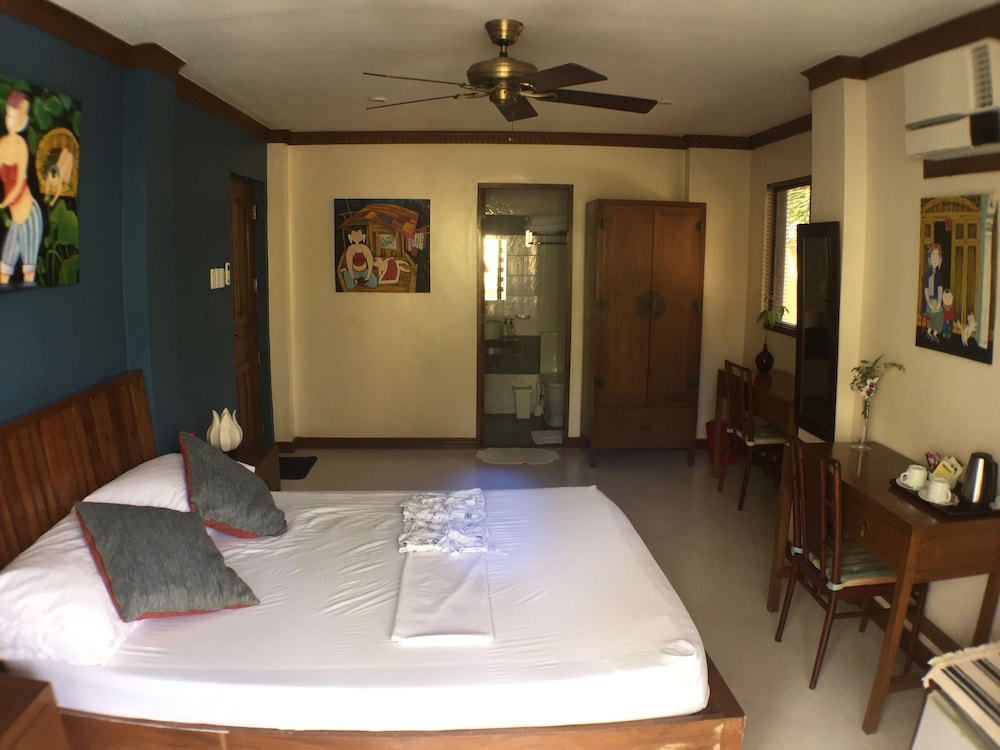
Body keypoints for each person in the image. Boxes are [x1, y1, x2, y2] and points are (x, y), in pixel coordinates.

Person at [0, 91, 42, 289]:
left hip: (28, 213)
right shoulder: (2, 144)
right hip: (16, 216)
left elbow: (19, 183)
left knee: (28, 269)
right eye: (16, 113)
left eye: (23, 114)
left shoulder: (21, 145)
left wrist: (3, 203)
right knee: (5, 265)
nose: (19, 118)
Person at [923, 243, 944, 342]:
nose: (935, 258)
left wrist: (939, 302)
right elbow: (926, 290)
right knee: (936, 314)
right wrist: (930, 304)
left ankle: (934, 333)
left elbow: (940, 290)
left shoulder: (938, 276)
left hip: (936, 301)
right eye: (933, 254)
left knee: (941, 314)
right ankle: (928, 332)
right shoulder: (927, 274)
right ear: (929, 258)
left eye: (937, 255)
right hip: (928, 303)